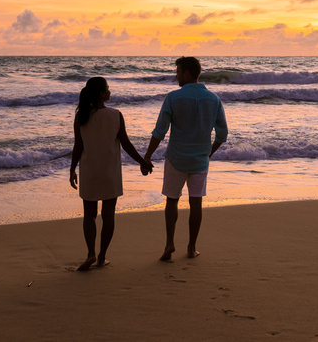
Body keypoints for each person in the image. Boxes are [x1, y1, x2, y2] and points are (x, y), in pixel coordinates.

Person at [143, 57, 228, 260]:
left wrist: (147, 157)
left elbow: (159, 132)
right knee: (195, 203)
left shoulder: (173, 98)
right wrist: (209, 153)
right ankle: (191, 247)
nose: (176, 76)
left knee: (172, 200)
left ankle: (169, 244)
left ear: (188, 73)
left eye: (179, 72)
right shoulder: (213, 99)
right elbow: (222, 134)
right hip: (199, 160)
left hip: (176, 157)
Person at [70, 77, 153, 271]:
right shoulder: (115, 115)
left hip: (89, 172)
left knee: (89, 216)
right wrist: (143, 162)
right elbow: (126, 144)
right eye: (107, 89)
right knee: (108, 216)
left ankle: (90, 253)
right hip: (110, 173)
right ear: (101, 94)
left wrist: (72, 169)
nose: (110, 91)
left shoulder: (81, 116)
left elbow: (78, 147)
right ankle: (101, 257)